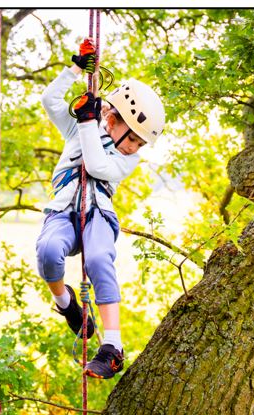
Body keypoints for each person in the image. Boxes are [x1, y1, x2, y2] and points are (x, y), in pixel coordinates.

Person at [35, 38, 166, 379]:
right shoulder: (81, 126)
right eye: (134, 137)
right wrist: (76, 69)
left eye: (139, 142)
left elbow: (95, 166)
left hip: (97, 215)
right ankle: (68, 306)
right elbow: (50, 100)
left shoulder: (127, 161)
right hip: (63, 210)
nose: (135, 148)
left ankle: (113, 347)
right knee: (48, 252)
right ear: (114, 117)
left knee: (97, 260)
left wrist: (87, 122)